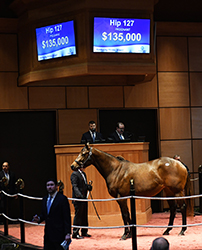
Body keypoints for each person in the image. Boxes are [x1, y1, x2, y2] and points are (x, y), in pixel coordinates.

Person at [32, 178, 71, 250]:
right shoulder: (44, 199)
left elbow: (66, 217)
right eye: (48, 185)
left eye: (51, 185)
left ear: (56, 186)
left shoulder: (62, 199)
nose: (49, 187)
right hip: (48, 235)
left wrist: (67, 233)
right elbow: (44, 214)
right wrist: (39, 218)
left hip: (60, 235)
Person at [70, 167, 92, 239]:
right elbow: (75, 186)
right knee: (78, 215)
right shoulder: (74, 174)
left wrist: (88, 187)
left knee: (84, 215)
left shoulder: (83, 174)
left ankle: (84, 231)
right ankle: (75, 233)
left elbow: (83, 185)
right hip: (78, 199)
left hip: (84, 198)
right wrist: (79, 195)